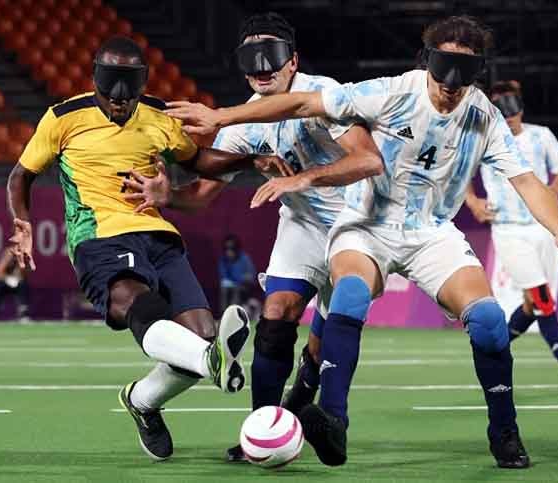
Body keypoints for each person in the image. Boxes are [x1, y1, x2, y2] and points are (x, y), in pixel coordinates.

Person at [167, 15, 558, 469]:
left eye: (464, 72)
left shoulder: (483, 114)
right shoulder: (393, 91)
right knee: (339, 298)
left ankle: (504, 432)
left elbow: (526, 180)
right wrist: (221, 118)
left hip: (431, 232)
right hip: (365, 224)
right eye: (443, 66)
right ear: (427, 61)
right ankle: (332, 422)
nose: (451, 83)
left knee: (488, 321)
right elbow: (301, 104)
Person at [5, 36, 292, 462]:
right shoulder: (63, 118)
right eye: (109, 90)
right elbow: (20, 176)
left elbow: (198, 161)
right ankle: (211, 362)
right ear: (95, 80)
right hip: (99, 235)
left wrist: (250, 160)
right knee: (135, 303)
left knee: (199, 332)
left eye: (129, 90)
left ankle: (143, 400)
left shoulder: (159, 115)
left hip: (158, 234)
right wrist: (23, 224)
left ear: (141, 84)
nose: (118, 100)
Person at [124, 12, 383, 464]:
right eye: (251, 57)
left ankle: (303, 394)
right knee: (277, 313)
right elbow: (201, 195)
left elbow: (367, 160)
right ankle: (262, 427)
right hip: (301, 226)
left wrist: (305, 178)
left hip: (359, 226)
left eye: (273, 56)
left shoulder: (327, 96)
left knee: (321, 347)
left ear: (293, 61)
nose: (262, 67)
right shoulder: (244, 125)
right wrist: (167, 195)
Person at [466, 80, 558, 393]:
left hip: (541, 227)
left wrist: (550, 193)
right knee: (542, 300)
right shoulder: (484, 140)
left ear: (520, 108)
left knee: (531, 305)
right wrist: (472, 201)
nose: (508, 116)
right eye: (501, 109)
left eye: (512, 109)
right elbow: (463, 175)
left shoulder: (541, 136)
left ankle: (492, 349)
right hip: (508, 229)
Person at [0, 249, 30, 321]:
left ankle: (23, 312)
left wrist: (18, 275)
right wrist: (8, 279)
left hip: (16, 284)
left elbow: (23, 275)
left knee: (23, 285)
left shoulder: (22, 259)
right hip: (4, 283)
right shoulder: (7, 257)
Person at [218, 235, 256, 314]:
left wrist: (240, 280)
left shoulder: (244, 258)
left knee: (236, 290)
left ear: (237, 249)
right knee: (224, 289)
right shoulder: (223, 259)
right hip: (230, 285)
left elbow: (251, 276)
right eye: (226, 249)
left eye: (232, 249)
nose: (229, 252)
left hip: (243, 286)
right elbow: (223, 275)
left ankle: (233, 313)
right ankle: (224, 313)